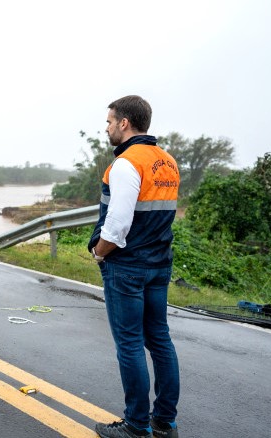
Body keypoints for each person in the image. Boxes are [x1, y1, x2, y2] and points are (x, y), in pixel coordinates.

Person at [89, 95, 181, 438]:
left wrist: (100, 252)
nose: (108, 127)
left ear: (125, 123)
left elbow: (118, 223)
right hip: (159, 264)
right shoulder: (167, 161)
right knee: (160, 340)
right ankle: (164, 421)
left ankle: (136, 425)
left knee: (129, 343)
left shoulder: (127, 163)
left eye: (110, 121)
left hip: (127, 266)